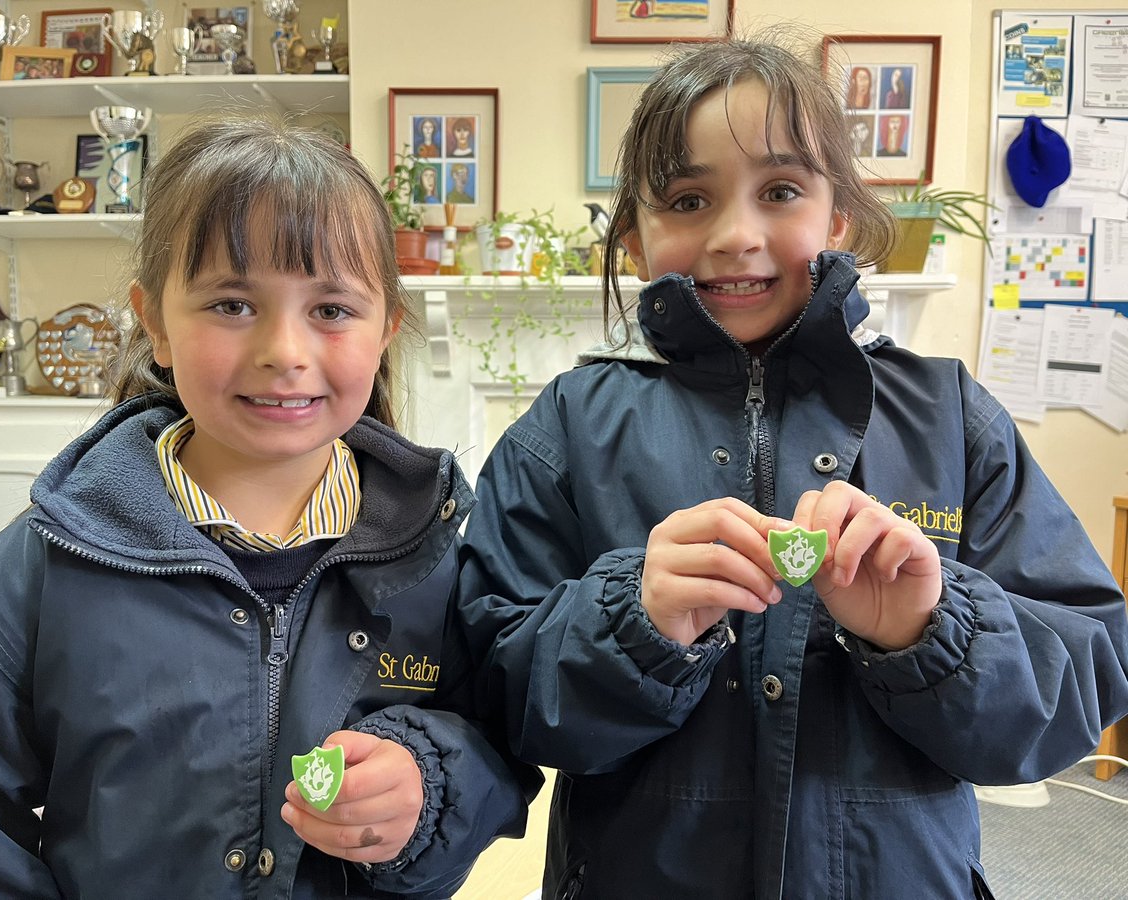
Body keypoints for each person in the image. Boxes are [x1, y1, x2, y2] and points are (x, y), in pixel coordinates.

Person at [455, 34, 1128, 899]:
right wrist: (633, 626)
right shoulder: (569, 428)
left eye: (779, 192)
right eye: (689, 199)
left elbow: (1086, 675)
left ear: (836, 218)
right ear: (633, 237)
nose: (736, 236)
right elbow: (493, 686)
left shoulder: (951, 418)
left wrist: (933, 631)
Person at [0, 113, 536, 898]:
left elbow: (500, 741)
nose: (284, 351)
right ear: (156, 323)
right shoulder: (50, 557)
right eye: (231, 305)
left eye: (330, 309)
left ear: (386, 326)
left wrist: (429, 785)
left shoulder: (443, 551)